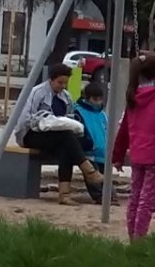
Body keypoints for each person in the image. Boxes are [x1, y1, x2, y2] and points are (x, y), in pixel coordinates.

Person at [15, 63, 105, 205]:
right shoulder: (37, 92)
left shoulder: (66, 97)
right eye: (59, 82)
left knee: (67, 146)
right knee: (67, 138)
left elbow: (69, 117)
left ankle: (65, 195)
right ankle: (89, 171)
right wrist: (48, 122)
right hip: (31, 134)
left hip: (56, 136)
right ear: (51, 79)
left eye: (65, 83)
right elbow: (26, 118)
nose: (62, 86)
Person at [111, 52, 155, 240]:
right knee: (147, 200)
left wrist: (117, 154)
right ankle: (139, 238)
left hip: (138, 155)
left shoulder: (135, 94)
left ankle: (133, 235)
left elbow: (124, 127)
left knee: (136, 197)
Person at [75, 82, 110, 204]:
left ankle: (110, 196)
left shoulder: (103, 114)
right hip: (88, 151)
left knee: (105, 177)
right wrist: (87, 144)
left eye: (100, 99)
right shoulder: (78, 112)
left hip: (103, 151)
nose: (98, 102)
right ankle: (99, 196)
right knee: (92, 177)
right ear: (87, 98)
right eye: (95, 99)